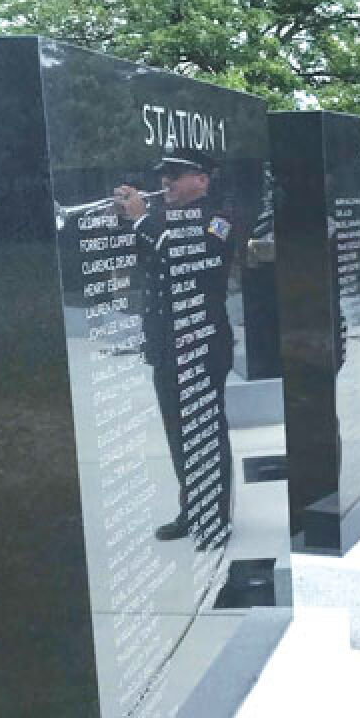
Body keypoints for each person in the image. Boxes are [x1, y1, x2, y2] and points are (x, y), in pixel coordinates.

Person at [115, 147, 235, 551]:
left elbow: (195, 258)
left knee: (206, 429)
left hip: (201, 344)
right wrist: (126, 220)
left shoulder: (219, 218)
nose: (165, 181)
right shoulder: (162, 219)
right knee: (177, 431)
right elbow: (144, 259)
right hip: (167, 343)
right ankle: (193, 508)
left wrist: (142, 221)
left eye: (175, 174)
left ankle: (216, 517)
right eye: (164, 174)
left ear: (200, 180)